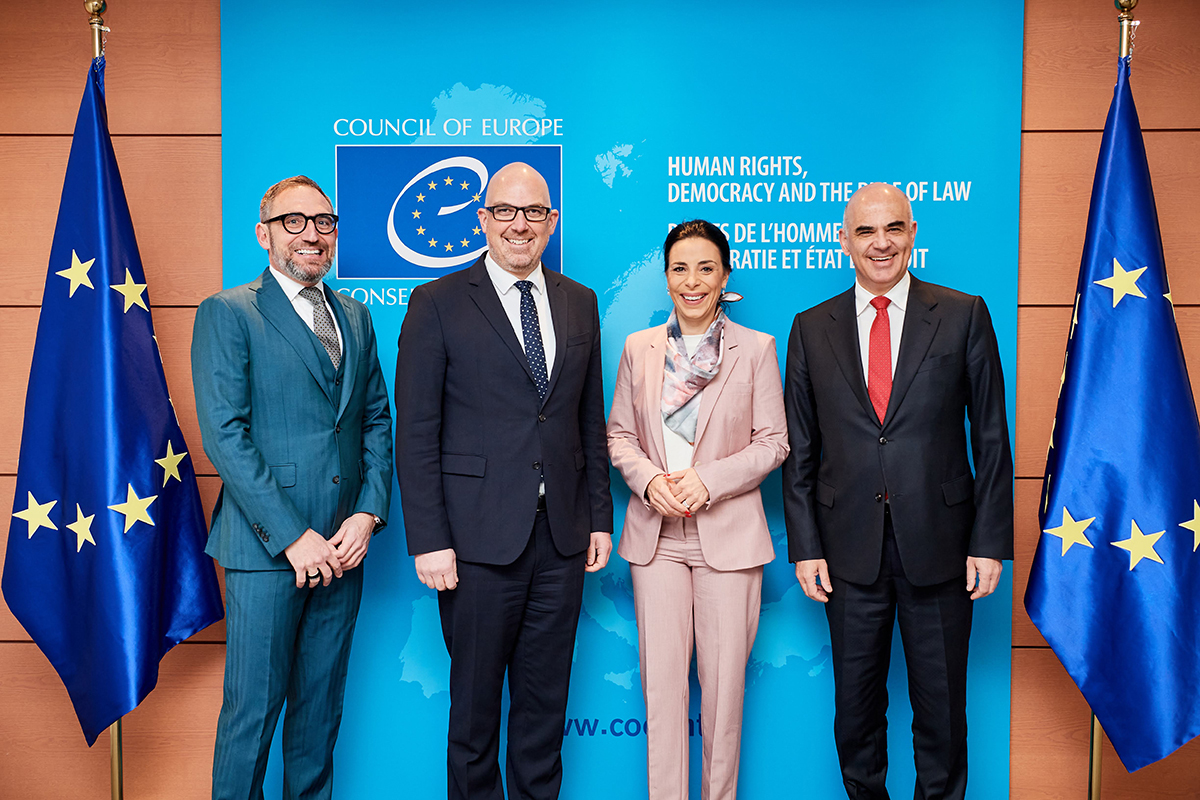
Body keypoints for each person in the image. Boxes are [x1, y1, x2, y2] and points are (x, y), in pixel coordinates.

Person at [783, 183, 1013, 800]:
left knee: (941, 716)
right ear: (844, 240)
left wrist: (989, 542)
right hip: (847, 554)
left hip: (942, 549)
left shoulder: (964, 313)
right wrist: (805, 547)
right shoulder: (810, 328)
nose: (880, 243)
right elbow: (801, 451)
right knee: (856, 718)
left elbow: (990, 438)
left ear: (912, 233)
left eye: (893, 229)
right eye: (865, 231)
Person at [394, 162, 613, 800]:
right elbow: (416, 433)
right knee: (473, 721)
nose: (521, 225)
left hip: (562, 542)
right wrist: (428, 539)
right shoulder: (436, 303)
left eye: (534, 213)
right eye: (506, 212)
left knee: (544, 718)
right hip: (474, 545)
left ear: (552, 222)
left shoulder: (580, 301)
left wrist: (599, 516)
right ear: (483, 219)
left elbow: (587, 420)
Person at [191, 175, 393, 800]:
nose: (311, 233)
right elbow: (225, 435)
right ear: (265, 234)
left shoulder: (355, 317)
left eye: (324, 222)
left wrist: (366, 516)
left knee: (318, 718)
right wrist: (292, 538)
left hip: (343, 551)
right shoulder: (229, 312)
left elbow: (376, 420)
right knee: (251, 719)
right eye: (294, 222)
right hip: (267, 554)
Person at [608, 220, 788, 799]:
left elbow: (773, 442)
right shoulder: (640, 348)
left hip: (728, 541)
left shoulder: (756, 348)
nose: (693, 281)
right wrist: (650, 481)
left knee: (723, 700)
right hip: (656, 541)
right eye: (680, 268)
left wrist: (706, 483)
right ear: (665, 278)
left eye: (706, 268)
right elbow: (618, 435)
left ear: (725, 276)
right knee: (661, 697)